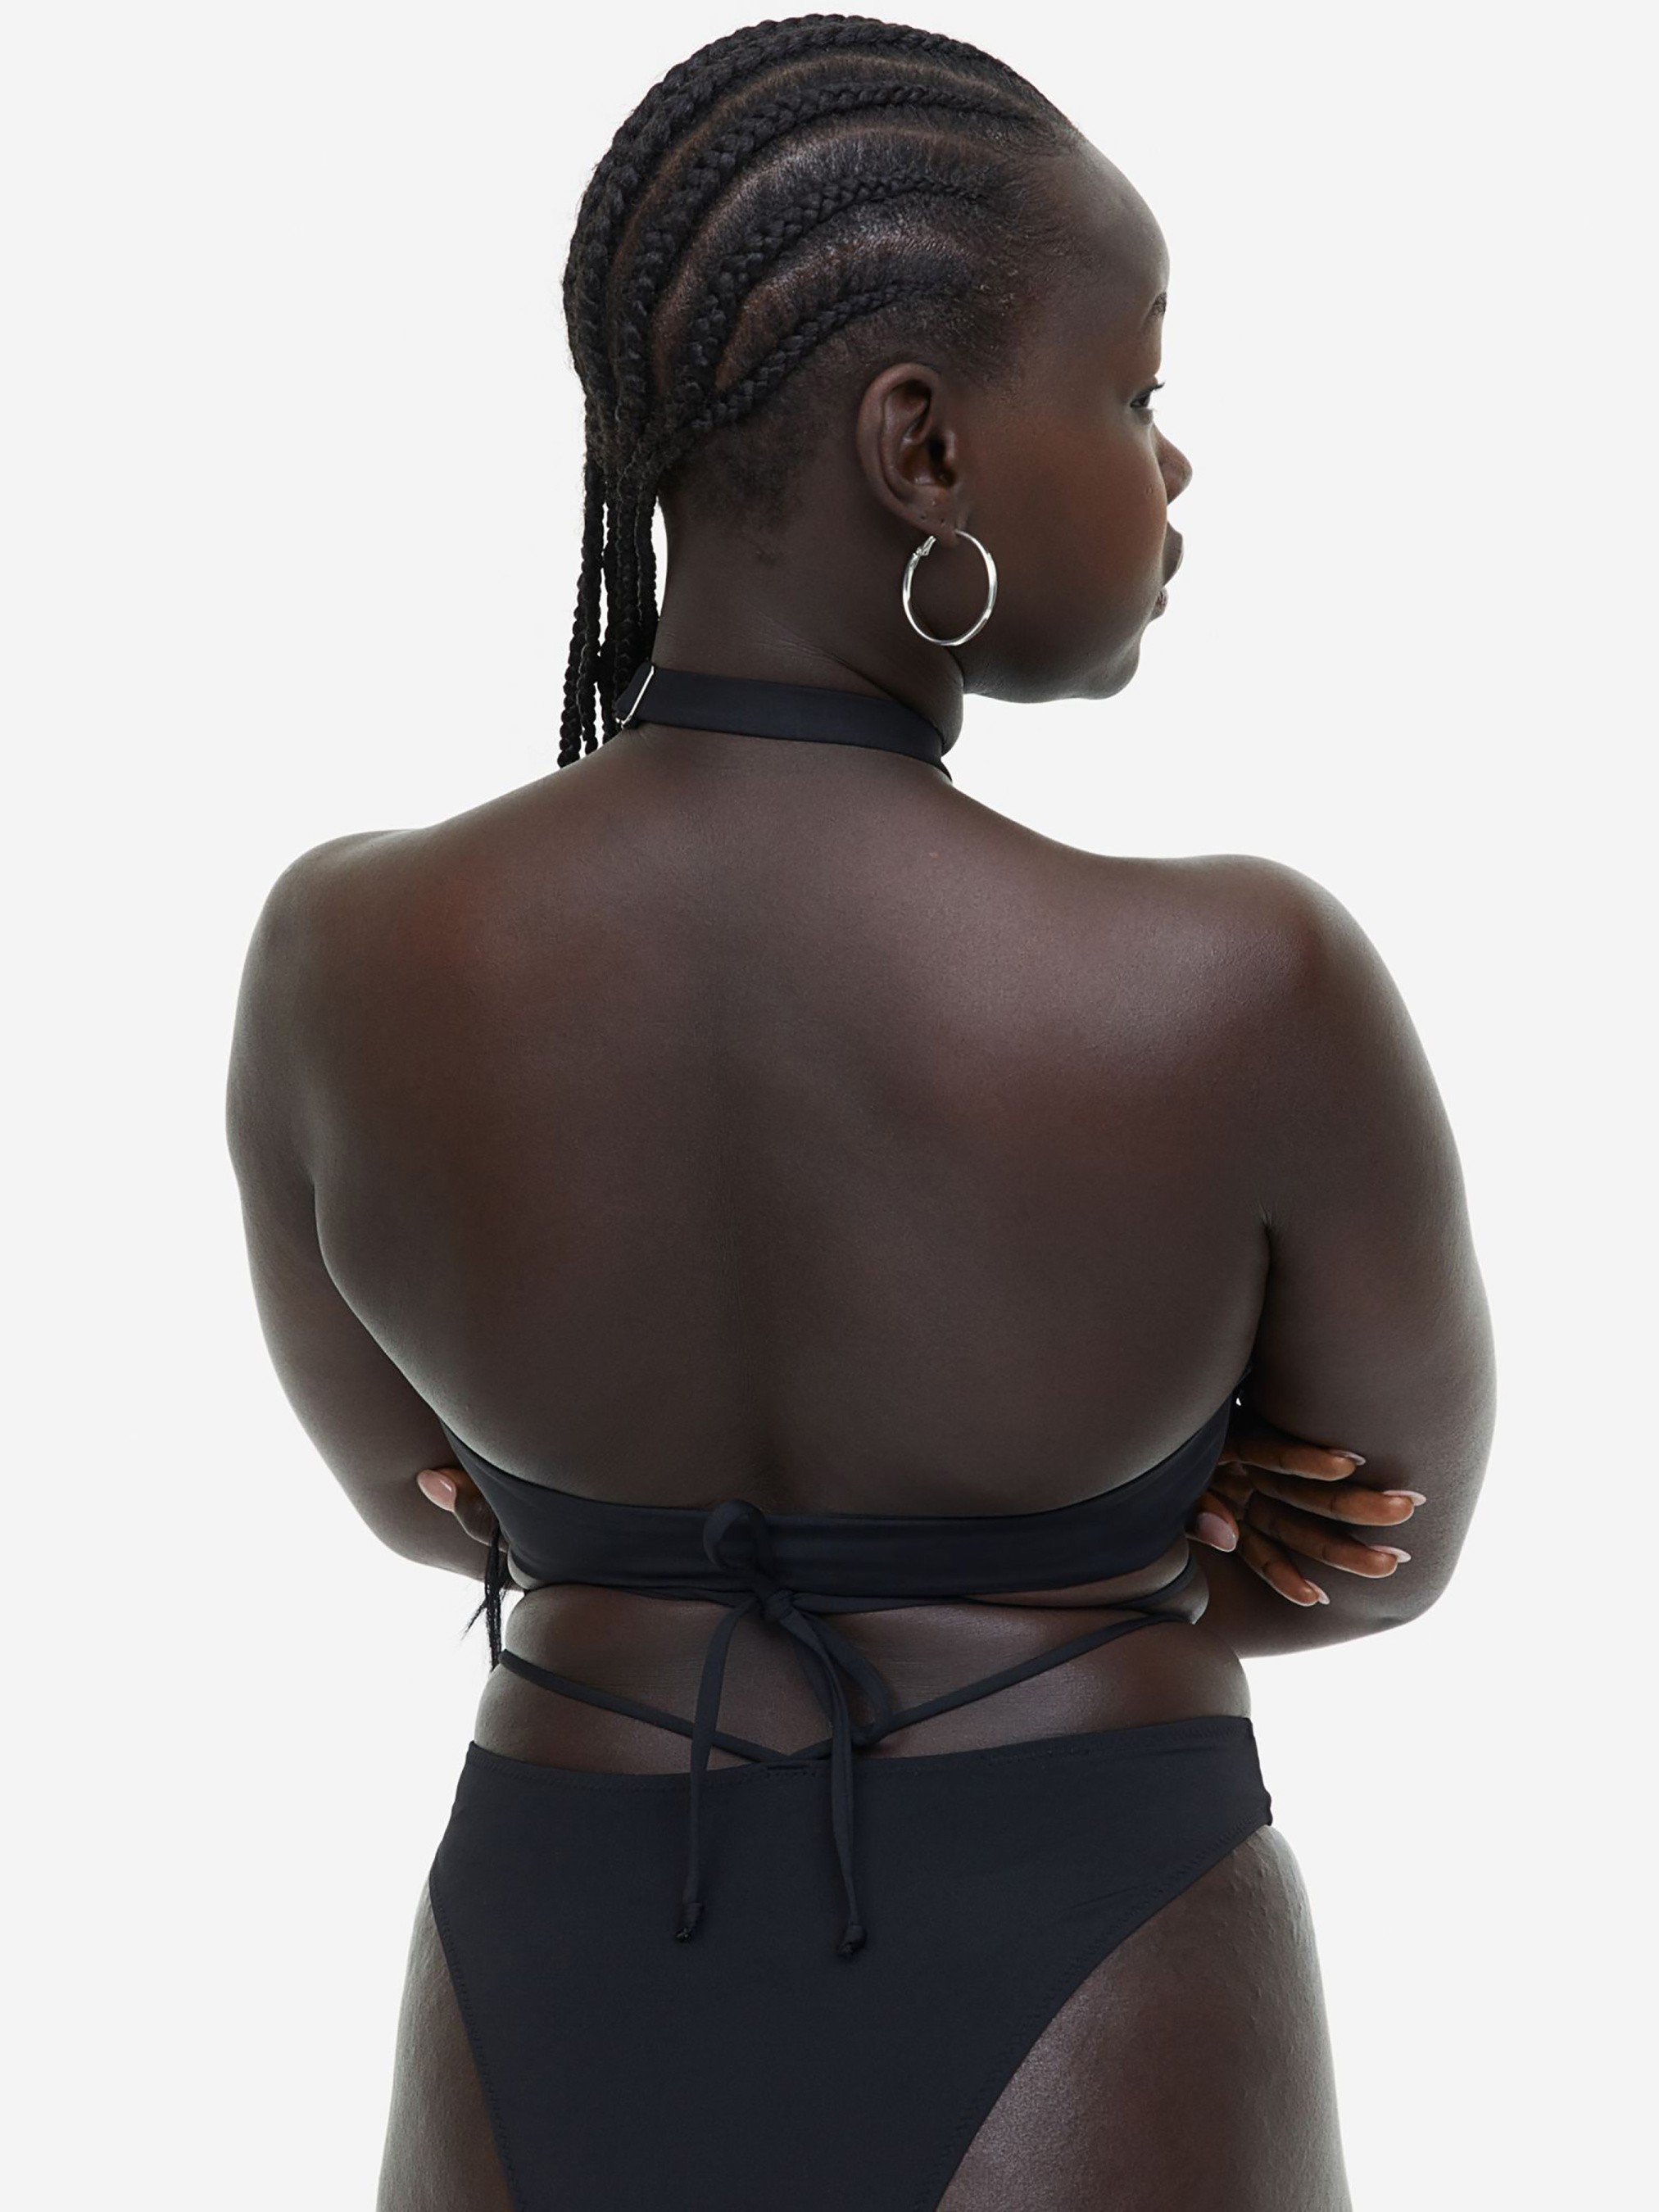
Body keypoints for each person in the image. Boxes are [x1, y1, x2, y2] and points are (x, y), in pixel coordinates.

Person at [224, 16, 1495, 2209]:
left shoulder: (345, 953)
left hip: (552, 1949)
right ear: (922, 446)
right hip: (1093, 1933)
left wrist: (637, 1515)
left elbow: (435, 1506)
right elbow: (1380, 1553)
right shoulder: (1235, 979)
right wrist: (1119, 1532)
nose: (1175, 466)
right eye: (1137, 393)